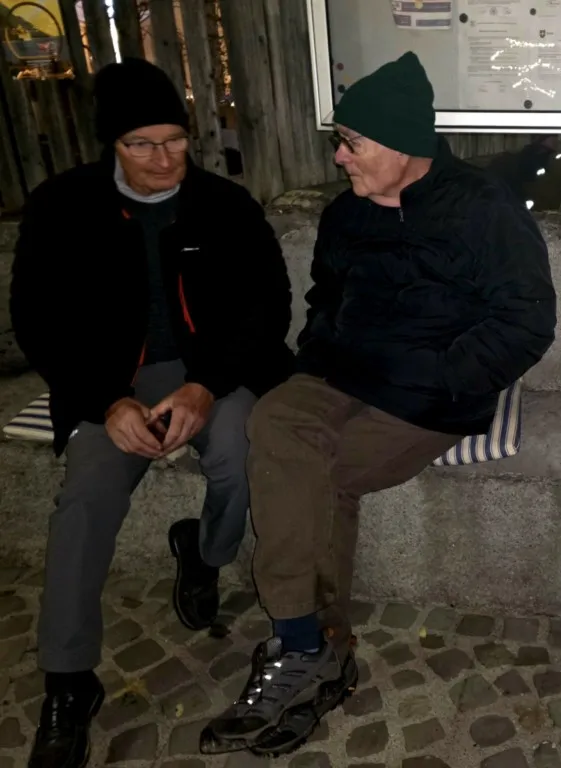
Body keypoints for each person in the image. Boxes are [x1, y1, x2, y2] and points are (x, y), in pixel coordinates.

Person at [199, 51, 557, 756]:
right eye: (341, 142)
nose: (339, 157)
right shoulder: (346, 215)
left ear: (401, 146)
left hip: (428, 397)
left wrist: (447, 375)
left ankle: (307, 643)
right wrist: (316, 357)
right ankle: (311, 645)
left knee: (316, 478)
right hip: (339, 375)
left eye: (351, 143)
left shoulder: (481, 209)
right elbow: (324, 297)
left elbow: (526, 322)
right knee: (275, 421)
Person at [10, 58, 293, 768]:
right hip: (109, 385)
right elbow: (37, 319)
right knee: (84, 501)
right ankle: (68, 681)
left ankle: (204, 553)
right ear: (112, 144)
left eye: (175, 140)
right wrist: (105, 401)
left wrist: (206, 386)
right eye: (142, 144)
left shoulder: (225, 205)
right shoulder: (60, 206)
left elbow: (267, 307)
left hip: (211, 375)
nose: (164, 159)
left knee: (241, 454)